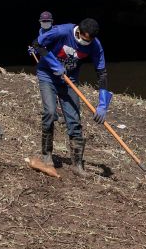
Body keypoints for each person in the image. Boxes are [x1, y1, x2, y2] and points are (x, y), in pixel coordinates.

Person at [30, 18, 112, 177]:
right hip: (48, 75)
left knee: (74, 120)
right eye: (83, 38)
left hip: (69, 81)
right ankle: (46, 157)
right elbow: (36, 44)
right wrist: (54, 65)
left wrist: (103, 104)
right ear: (78, 31)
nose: (84, 42)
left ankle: (77, 165)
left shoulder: (95, 45)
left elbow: (101, 74)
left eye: (88, 41)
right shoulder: (62, 31)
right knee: (50, 112)